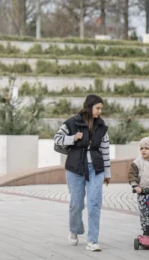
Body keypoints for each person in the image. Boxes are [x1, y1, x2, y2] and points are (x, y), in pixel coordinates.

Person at [54, 94, 111, 252]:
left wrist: (107, 173)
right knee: (76, 205)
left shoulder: (102, 126)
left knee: (94, 204)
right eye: (97, 108)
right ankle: (75, 229)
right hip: (76, 168)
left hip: (96, 168)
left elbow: (105, 150)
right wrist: (72, 138)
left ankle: (92, 240)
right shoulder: (73, 122)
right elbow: (57, 138)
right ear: (89, 106)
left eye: (101, 109)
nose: (100, 111)